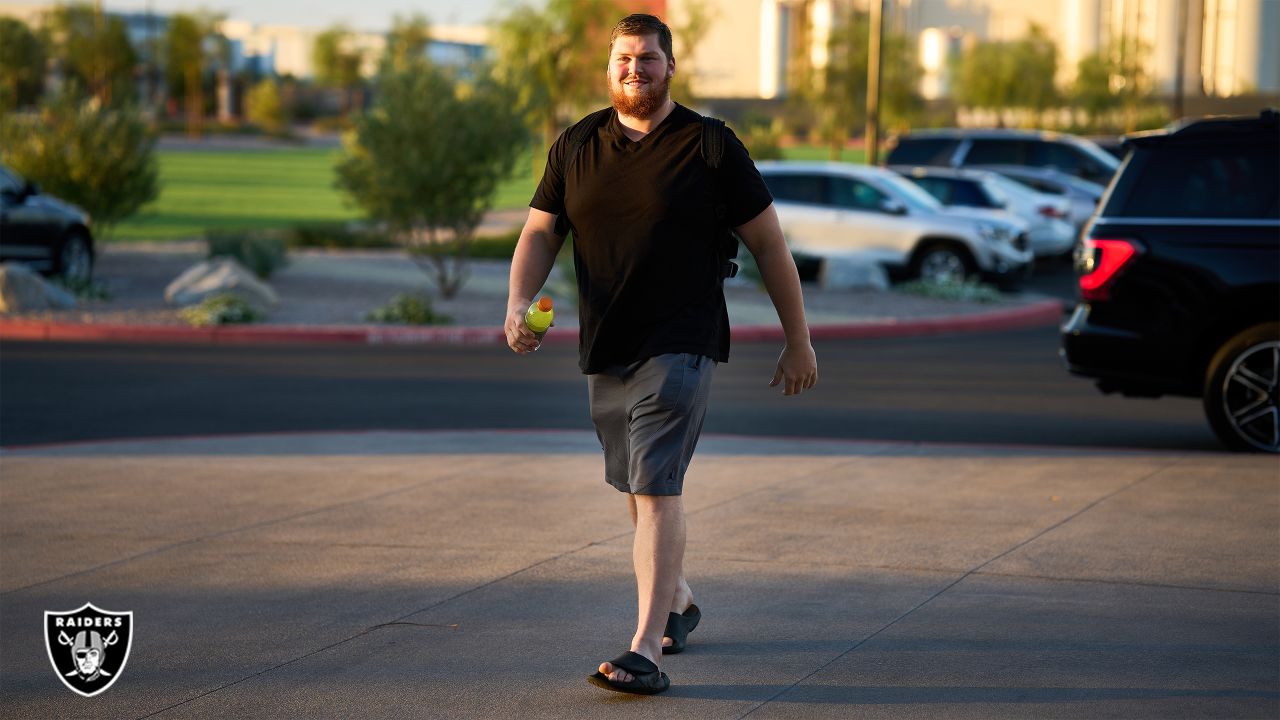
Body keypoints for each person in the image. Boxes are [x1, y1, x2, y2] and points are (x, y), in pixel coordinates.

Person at [504, 13, 818, 696]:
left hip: (683, 341)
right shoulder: (577, 144)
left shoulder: (710, 147)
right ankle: (676, 599)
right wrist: (517, 301)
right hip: (606, 343)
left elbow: (769, 245)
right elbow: (538, 233)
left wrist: (799, 339)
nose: (634, 71)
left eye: (648, 59)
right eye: (624, 59)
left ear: (670, 67)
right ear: (609, 65)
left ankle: (646, 646)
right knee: (634, 485)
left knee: (653, 486)